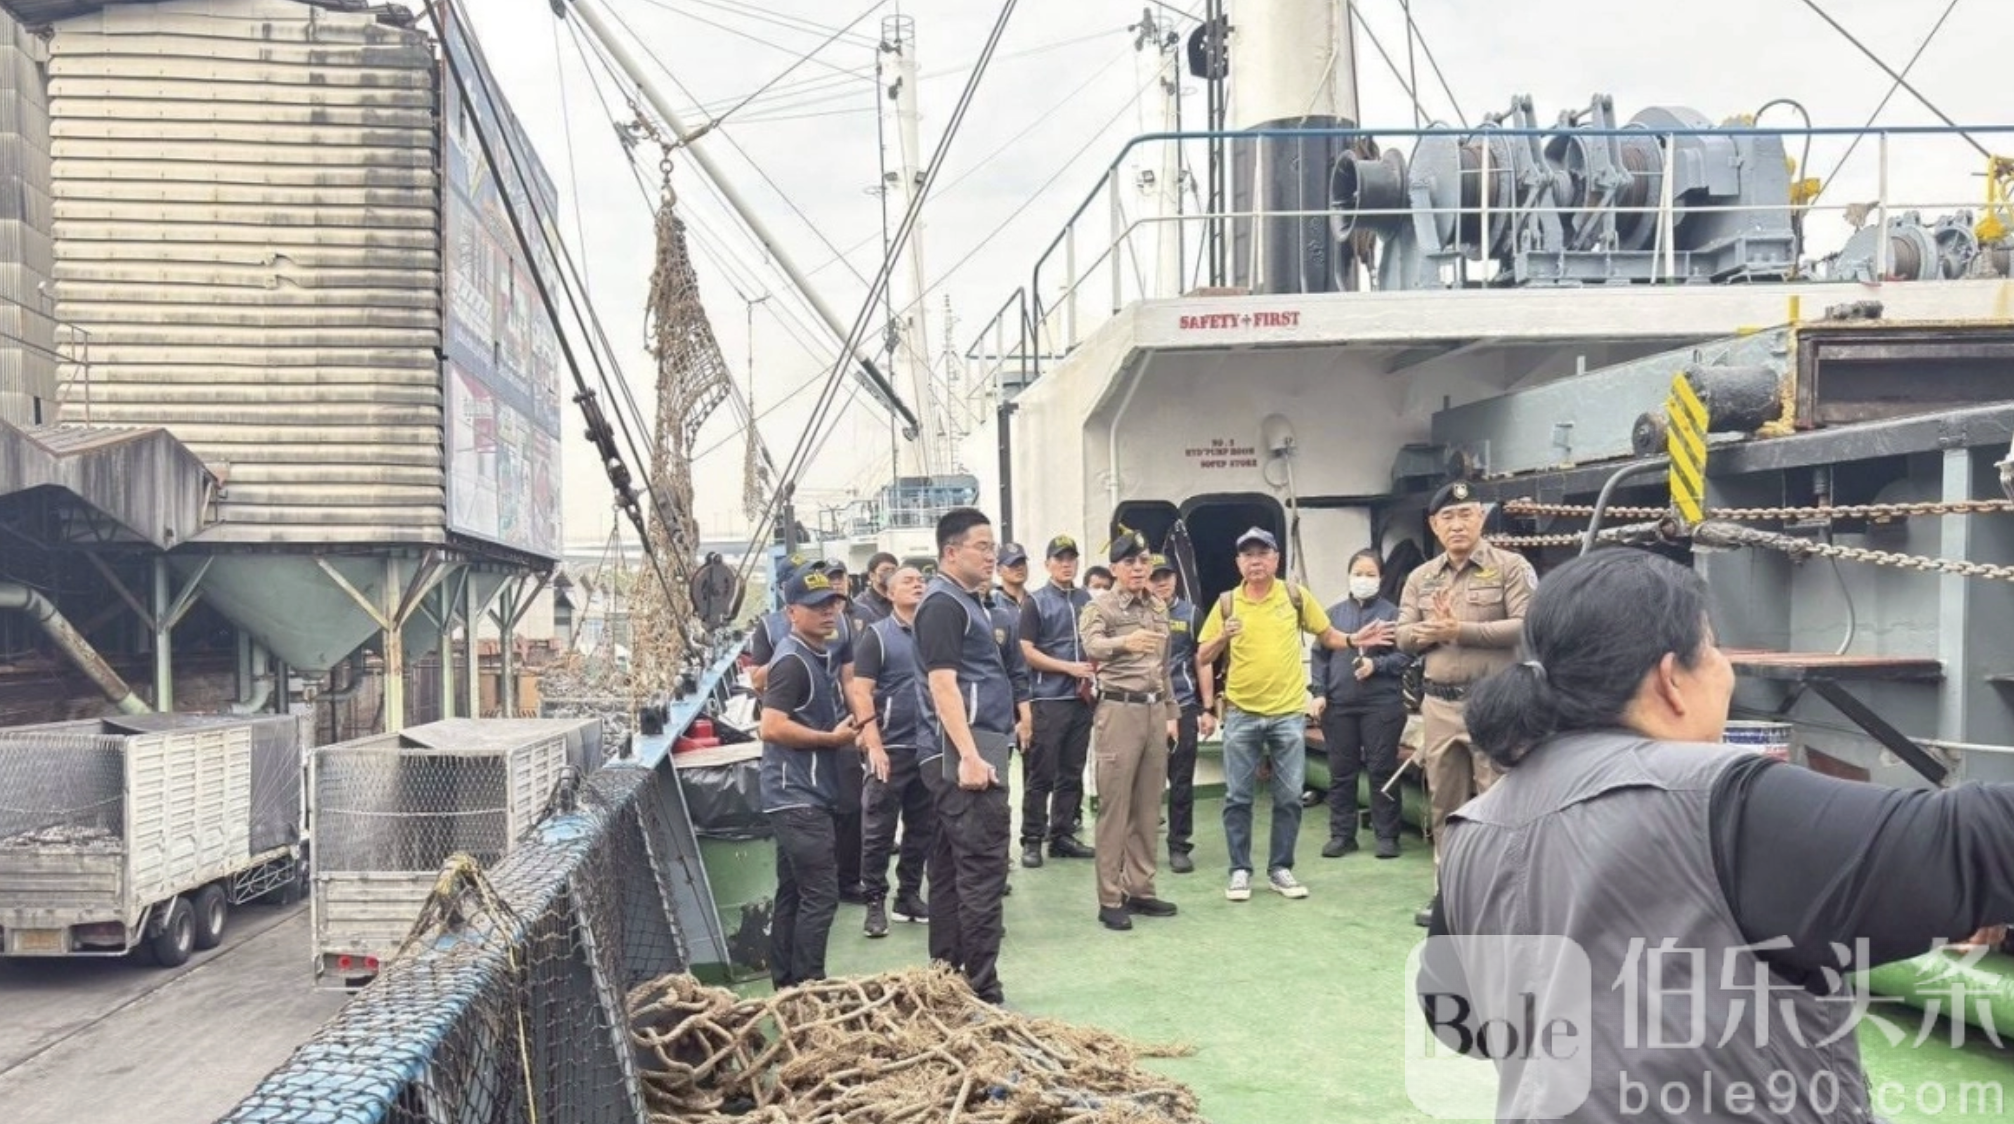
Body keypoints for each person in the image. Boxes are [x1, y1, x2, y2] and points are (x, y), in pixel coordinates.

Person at [1416, 548, 2014, 1123]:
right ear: (1670, 679)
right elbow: (1983, 839)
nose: (1725, 669)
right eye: (1713, 648)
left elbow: (1457, 1020)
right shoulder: (1721, 802)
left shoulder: (1474, 830)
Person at [1195, 527, 1392, 902]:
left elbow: (1327, 635)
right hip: (1241, 714)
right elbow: (1202, 655)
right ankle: (1239, 870)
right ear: (1238, 562)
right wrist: (1223, 637)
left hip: (1287, 715)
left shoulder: (1294, 596)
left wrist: (1353, 640)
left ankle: (1280, 869)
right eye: (1247, 554)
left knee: (1288, 797)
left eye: (1262, 553)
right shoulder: (1226, 603)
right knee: (1238, 798)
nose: (1255, 561)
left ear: (1276, 559)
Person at [1396, 480, 1535, 926]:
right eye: (1448, 518)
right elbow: (1401, 634)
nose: (1457, 525)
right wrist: (1426, 633)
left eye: (1465, 514)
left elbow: (1526, 625)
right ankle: (1449, 893)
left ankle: (1503, 896)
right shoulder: (1421, 577)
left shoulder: (1510, 567)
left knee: (1498, 800)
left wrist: (1460, 631)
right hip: (1438, 706)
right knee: (1445, 804)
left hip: (1493, 703)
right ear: (1434, 525)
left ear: (1481, 518)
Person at [914, 507, 1016, 1005]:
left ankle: (948, 980)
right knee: (982, 872)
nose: (992, 554)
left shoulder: (967, 601)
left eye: (993, 545)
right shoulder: (944, 604)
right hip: (966, 747)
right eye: (982, 546)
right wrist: (970, 756)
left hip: (974, 743)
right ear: (951, 552)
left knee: (952, 871)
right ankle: (981, 990)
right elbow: (942, 684)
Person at [756, 567, 859, 988]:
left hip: (799, 795)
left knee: (794, 892)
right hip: (797, 798)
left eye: (832, 603)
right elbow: (771, 727)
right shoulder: (793, 662)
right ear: (792, 613)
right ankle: (810, 985)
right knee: (820, 894)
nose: (828, 612)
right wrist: (831, 739)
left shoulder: (815, 654)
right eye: (817, 606)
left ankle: (787, 984)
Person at [1077, 531, 1181, 930]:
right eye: (1130, 562)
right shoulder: (1099, 606)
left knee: (1148, 807)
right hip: (1119, 711)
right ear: (1115, 568)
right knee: (1115, 809)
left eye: (1144, 561)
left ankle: (1140, 889)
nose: (1139, 568)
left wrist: (1171, 712)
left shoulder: (1157, 605)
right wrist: (1125, 642)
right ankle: (1110, 897)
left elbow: (1163, 666)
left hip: (1154, 711)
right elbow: (1091, 646)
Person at [848, 566, 935, 938]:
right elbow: (861, 691)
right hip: (890, 748)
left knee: (923, 827)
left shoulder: (935, 634)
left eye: (921, 581)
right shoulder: (877, 636)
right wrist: (874, 744)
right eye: (907, 581)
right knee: (879, 830)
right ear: (889, 593)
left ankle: (908, 896)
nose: (917, 585)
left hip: (927, 746)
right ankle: (874, 902)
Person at [1311, 548, 1409, 860]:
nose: (1363, 579)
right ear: (1349, 576)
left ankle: (1387, 835)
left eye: (1370, 574)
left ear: (1381, 578)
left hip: (1382, 706)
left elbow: (1407, 657)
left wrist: (1376, 665)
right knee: (1341, 772)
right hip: (1339, 706)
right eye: (1358, 574)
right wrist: (1319, 692)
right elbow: (1319, 656)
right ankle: (1342, 835)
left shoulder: (1394, 615)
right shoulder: (1333, 615)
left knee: (1382, 769)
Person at [1016, 535, 1096, 867]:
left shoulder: (1086, 599)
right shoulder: (1035, 602)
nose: (1066, 564)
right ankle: (1033, 838)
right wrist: (1068, 667)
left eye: (1071, 558)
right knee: (1042, 772)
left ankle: (1062, 835)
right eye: (1059, 559)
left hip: (1082, 699)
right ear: (1048, 564)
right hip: (1049, 698)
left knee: (1072, 772)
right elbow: (1026, 651)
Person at [1148, 553, 1211, 873]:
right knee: (1143, 782)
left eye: (1167, 576)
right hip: (1146, 708)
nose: (1162, 582)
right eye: (1155, 577)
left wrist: (1207, 707)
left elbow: (1202, 660)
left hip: (1184, 706)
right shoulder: (1137, 613)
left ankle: (1179, 845)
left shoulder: (1191, 614)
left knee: (1182, 781)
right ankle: (1140, 847)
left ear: (1175, 578)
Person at [852, 551, 899, 624]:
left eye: (893, 570)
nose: (890, 574)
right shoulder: (861, 604)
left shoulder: (901, 599)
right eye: (885, 570)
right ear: (872, 576)